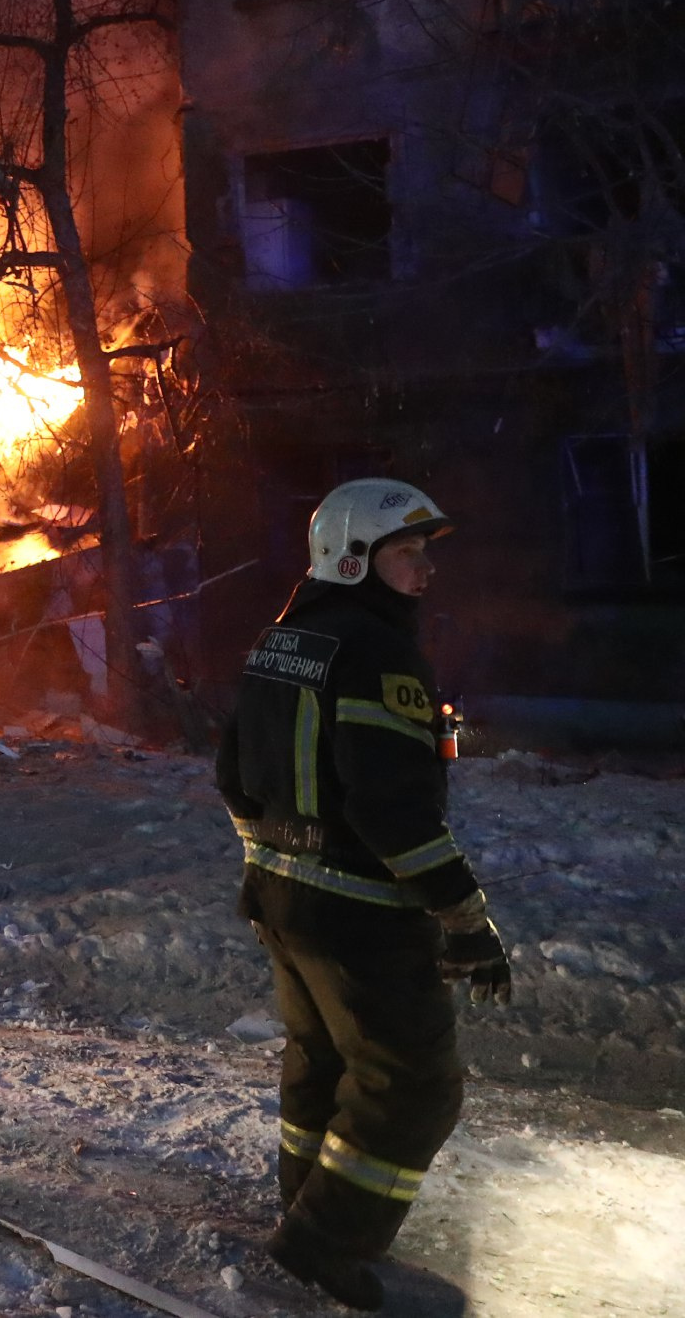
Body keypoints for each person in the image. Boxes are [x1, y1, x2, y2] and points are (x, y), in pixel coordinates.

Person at [216, 478, 512, 1311]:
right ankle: (321, 1243)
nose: (425, 571)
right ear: (353, 557)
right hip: (359, 913)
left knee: (324, 1062)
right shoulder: (377, 653)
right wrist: (464, 915)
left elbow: (231, 773)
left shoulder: (282, 638)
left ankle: (305, 1202)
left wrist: (267, 863)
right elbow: (392, 809)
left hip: (282, 899)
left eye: (425, 553)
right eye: (407, 552)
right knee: (412, 1082)